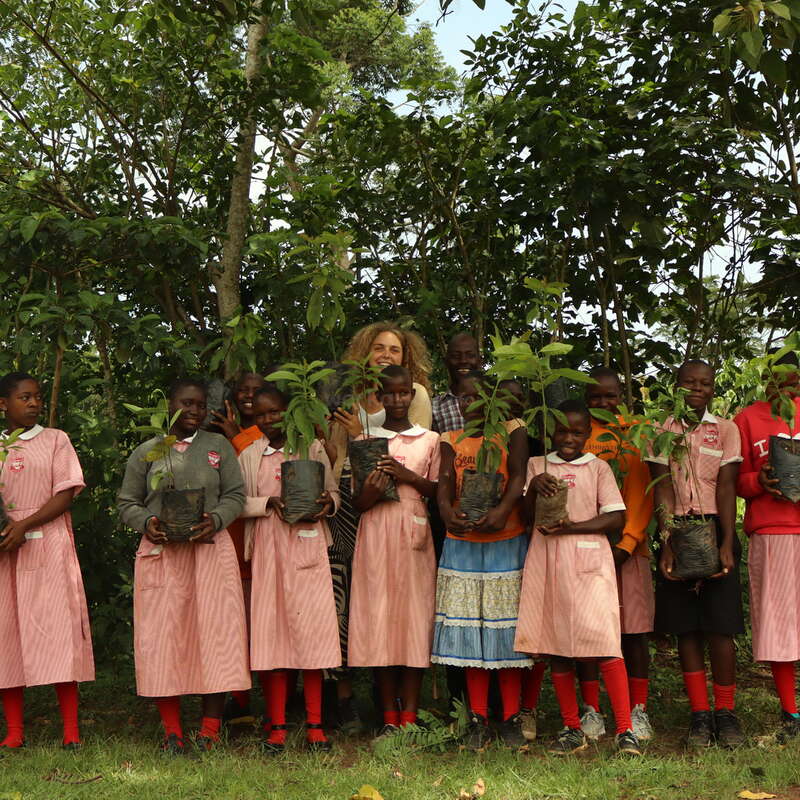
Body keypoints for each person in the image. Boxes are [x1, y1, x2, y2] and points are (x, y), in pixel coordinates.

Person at [118, 377, 249, 754]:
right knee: (164, 640)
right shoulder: (149, 450)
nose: (193, 411)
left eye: (199, 404)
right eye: (185, 404)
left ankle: (209, 731)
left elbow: (236, 494)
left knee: (216, 635)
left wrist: (217, 519)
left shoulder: (218, 446)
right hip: (163, 558)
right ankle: (172, 732)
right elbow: (128, 501)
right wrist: (148, 523)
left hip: (209, 552)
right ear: (168, 405)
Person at [516, 400, 641, 757]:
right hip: (548, 561)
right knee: (557, 646)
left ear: (588, 434)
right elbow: (526, 516)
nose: (569, 438)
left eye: (577, 432)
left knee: (605, 644)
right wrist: (532, 488)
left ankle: (624, 729)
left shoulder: (598, 467)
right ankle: (572, 727)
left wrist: (573, 528)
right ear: (550, 431)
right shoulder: (536, 465)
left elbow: (615, 517)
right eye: (562, 431)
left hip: (589, 561)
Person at [326, 322, 433, 730]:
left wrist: (361, 436)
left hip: (400, 512)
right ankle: (350, 698)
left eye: (395, 349)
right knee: (356, 602)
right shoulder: (346, 391)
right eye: (379, 348)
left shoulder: (414, 395)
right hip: (349, 499)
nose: (386, 355)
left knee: (403, 606)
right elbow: (338, 450)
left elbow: (408, 444)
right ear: (365, 352)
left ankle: (402, 709)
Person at [431, 371, 532, 750]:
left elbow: (519, 474)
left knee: (505, 633)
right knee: (470, 632)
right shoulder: (450, 438)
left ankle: (509, 718)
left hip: (506, 541)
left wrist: (504, 510)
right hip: (463, 542)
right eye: (462, 399)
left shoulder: (512, 430)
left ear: (490, 400)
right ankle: (476, 717)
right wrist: (445, 511)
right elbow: (443, 482)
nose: (468, 404)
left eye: (477, 398)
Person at [646, 360, 744, 748]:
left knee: (720, 629)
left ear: (713, 389)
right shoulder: (661, 430)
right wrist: (668, 540)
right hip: (679, 531)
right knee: (686, 629)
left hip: (714, 527)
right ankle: (700, 715)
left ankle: (726, 713)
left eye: (705, 384)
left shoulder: (726, 430)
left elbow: (727, 486)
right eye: (690, 382)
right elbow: (662, 487)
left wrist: (725, 542)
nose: (697, 389)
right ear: (678, 385)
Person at [238, 386, 340, 752]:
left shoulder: (310, 447)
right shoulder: (249, 455)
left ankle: (315, 727)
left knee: (312, 635)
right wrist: (268, 502)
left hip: (308, 547)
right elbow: (235, 501)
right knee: (272, 637)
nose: (269, 420)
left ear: (289, 410)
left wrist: (327, 503)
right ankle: (277, 727)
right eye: (261, 415)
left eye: (276, 412)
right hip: (268, 550)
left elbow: (333, 493)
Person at [0, 373, 94, 750]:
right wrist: (8, 531)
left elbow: (65, 495)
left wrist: (24, 524)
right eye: (25, 397)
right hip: (5, 548)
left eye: (37, 397)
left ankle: (71, 732)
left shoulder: (56, 440)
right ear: (3, 404)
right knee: (5, 637)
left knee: (57, 635)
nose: (35, 403)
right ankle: (15, 732)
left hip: (47, 543)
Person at [347, 366, 440, 736]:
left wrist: (408, 477)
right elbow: (358, 503)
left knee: (414, 620)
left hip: (414, 533)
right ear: (379, 397)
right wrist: (372, 488)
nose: (398, 400)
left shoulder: (429, 439)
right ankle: (388, 715)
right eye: (391, 393)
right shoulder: (367, 439)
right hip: (376, 534)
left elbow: (437, 492)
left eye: (405, 393)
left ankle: (411, 715)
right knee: (380, 621)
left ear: (412, 396)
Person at [574, 367, 655, 743]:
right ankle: (591, 709)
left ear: (622, 395)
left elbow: (642, 492)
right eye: (595, 397)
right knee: (589, 633)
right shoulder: (578, 434)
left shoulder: (635, 432)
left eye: (610, 396)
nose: (603, 403)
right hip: (587, 550)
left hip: (628, 550)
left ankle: (638, 710)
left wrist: (627, 543)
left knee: (633, 632)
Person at [734, 348, 800, 741]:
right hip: (771, 530)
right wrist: (761, 482)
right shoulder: (748, 418)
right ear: (766, 378)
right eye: (779, 377)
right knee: (777, 622)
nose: (787, 386)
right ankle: (790, 713)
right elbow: (736, 480)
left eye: (794, 378)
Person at [209, 371, 266, 724]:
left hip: (264, 533)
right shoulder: (216, 436)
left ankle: (280, 695)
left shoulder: (270, 431)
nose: (248, 396)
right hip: (230, 532)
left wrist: (237, 435)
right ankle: (239, 698)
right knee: (235, 618)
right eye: (242, 391)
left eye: (255, 392)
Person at [432, 333, 480, 434]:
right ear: (446, 362)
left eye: (470, 356)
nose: (463, 361)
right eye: (456, 356)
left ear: (480, 361)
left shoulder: (494, 400)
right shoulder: (434, 407)